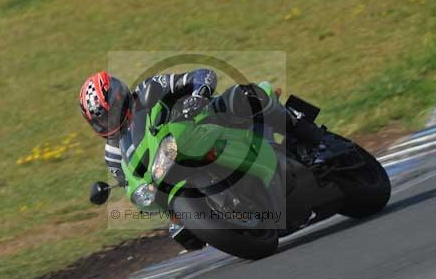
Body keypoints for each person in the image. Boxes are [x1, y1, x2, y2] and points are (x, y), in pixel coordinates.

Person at [78, 69, 325, 250]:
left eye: (108, 113)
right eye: (100, 120)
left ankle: (310, 135)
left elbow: (202, 75)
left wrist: (198, 95)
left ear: (120, 97)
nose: (107, 122)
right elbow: (128, 179)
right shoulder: (113, 152)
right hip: (172, 164)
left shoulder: (148, 90)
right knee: (178, 226)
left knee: (245, 96)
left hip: (202, 124)